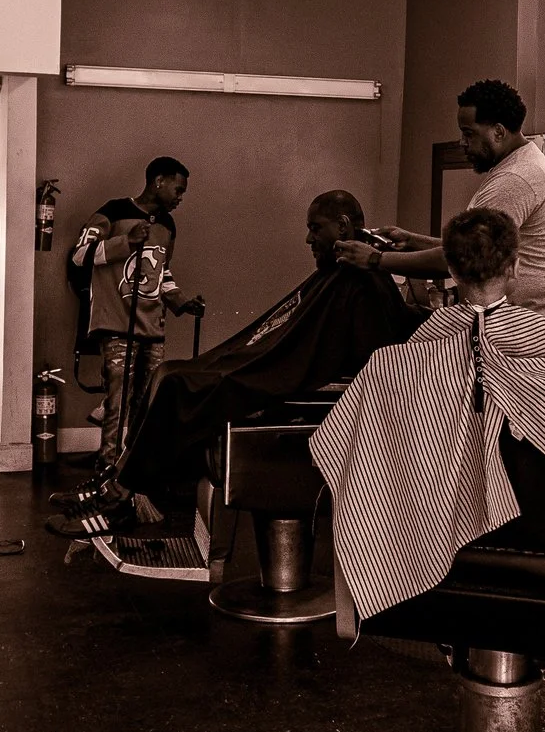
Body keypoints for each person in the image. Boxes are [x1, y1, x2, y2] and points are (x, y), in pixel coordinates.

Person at [312, 208, 545, 631]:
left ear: (453, 273)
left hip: (413, 539)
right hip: (543, 552)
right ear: (515, 268)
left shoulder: (394, 363)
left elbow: (349, 447)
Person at [97, 191, 422, 533]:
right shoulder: (340, 274)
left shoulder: (361, 282)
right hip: (271, 364)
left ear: (342, 227)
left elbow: (363, 360)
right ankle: (120, 480)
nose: (308, 237)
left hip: (297, 387)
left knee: (181, 384)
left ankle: (121, 494)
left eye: (315, 228)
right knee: (169, 371)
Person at [336, 79, 545, 345]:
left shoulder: (515, 179)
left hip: (540, 337)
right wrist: (412, 241)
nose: (462, 142)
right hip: (531, 331)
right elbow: (474, 250)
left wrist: (376, 260)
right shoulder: (519, 166)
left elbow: (467, 259)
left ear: (498, 132)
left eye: (468, 133)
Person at [52, 157, 202, 523]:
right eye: (178, 188)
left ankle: (134, 480)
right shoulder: (112, 212)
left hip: (153, 329)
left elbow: (161, 273)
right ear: (158, 180)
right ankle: (107, 479)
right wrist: (122, 243)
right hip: (117, 325)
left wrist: (181, 301)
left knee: (147, 406)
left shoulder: (167, 225)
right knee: (117, 407)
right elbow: (79, 257)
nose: (181, 197)